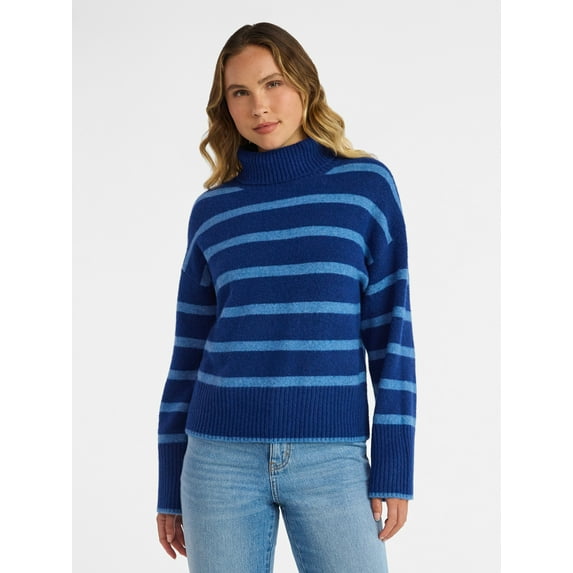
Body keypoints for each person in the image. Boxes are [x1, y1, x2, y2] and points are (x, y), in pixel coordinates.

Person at [156, 22, 416, 573]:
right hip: (217, 461)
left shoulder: (365, 188)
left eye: (273, 83)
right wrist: (167, 480)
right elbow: (188, 351)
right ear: (225, 107)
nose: (259, 106)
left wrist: (395, 464)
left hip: (332, 458)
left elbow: (392, 335)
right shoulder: (213, 210)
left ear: (304, 85)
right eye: (240, 92)